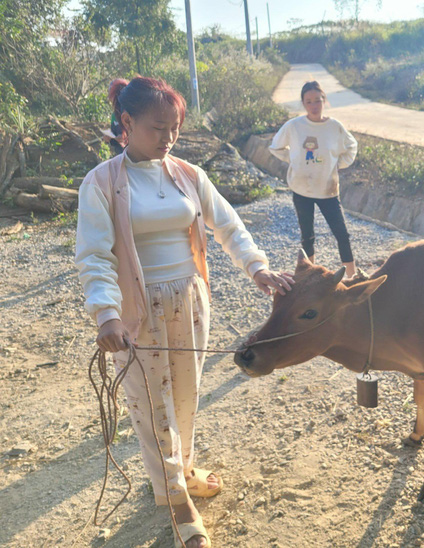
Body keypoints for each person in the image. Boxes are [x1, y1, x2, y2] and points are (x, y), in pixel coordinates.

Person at [75, 76, 294, 548]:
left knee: (185, 399)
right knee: (152, 407)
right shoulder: (101, 183)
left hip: (190, 301)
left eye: (175, 128)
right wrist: (106, 315)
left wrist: (258, 268)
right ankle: (175, 498)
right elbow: (94, 255)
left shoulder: (189, 175)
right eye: (159, 128)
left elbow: (227, 225)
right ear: (127, 123)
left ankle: (184, 469)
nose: (169, 137)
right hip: (138, 311)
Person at [269, 80, 359, 278]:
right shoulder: (294, 126)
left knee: (342, 235)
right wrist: (294, 160)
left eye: (317, 100)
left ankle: (352, 277)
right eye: (308, 102)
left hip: (328, 189)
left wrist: (338, 163)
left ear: (324, 100)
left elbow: (352, 146)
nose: (314, 106)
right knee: (307, 236)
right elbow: (275, 147)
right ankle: (307, 276)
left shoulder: (335, 126)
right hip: (302, 189)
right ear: (303, 103)